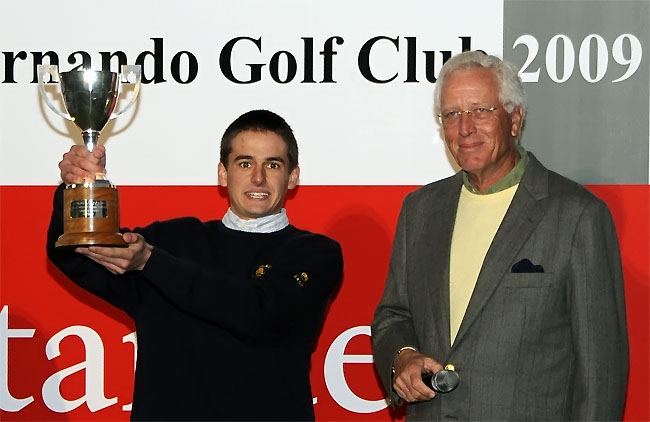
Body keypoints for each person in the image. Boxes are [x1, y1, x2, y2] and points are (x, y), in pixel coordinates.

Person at [371, 51, 628, 420]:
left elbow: (600, 373)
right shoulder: (420, 210)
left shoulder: (577, 215)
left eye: (480, 110)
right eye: (452, 114)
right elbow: (393, 316)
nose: (465, 128)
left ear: (515, 119)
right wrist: (403, 356)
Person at [47, 110, 343, 421]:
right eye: (245, 163)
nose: (258, 177)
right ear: (223, 174)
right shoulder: (170, 240)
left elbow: (259, 313)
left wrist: (152, 262)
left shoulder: (316, 254)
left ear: (293, 176)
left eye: (272, 164)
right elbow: (74, 254)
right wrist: (77, 187)